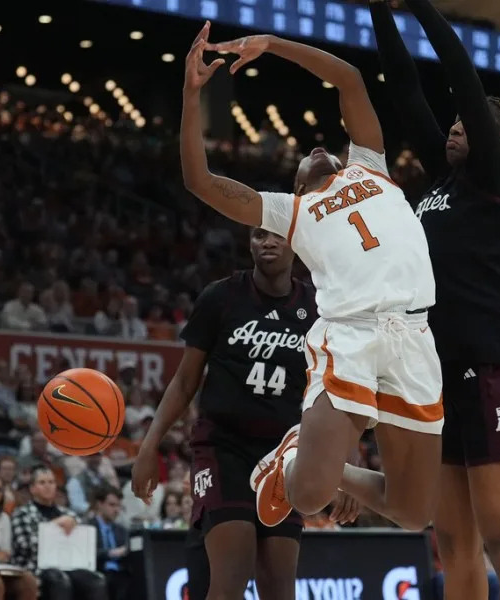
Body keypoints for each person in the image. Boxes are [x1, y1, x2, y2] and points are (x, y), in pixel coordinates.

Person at [180, 22, 443, 541]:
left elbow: (349, 79)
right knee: (308, 498)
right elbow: (200, 181)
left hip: (414, 336)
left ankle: (303, 456)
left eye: (326, 146)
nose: (319, 147)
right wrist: (191, 95)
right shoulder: (292, 211)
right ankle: (298, 459)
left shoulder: (370, 165)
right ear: (297, 182)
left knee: (414, 513)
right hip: (352, 334)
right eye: (306, 156)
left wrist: (272, 45)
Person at [368, 1, 500, 597]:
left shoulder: (495, 180)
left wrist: (419, 7)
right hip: (440, 370)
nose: (451, 125)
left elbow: (463, 79)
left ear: (497, 141)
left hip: (497, 363)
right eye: (449, 122)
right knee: (453, 546)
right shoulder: (441, 183)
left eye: (464, 122)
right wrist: (378, 11)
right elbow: (403, 90)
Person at [132, 227, 344, 600]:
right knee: (232, 574)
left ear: (296, 243)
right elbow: (184, 382)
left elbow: (336, 391)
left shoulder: (319, 307)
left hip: (285, 454)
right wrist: (149, 446)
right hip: (223, 447)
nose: (267, 243)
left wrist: (346, 465)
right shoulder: (221, 297)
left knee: (280, 588)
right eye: (259, 235)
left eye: (277, 236)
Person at [11, 465, 108, 600]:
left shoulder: (69, 514)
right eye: (42, 482)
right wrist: (54, 525)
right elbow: (25, 546)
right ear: (32, 489)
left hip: (69, 565)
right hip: (35, 568)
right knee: (59, 580)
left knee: (96, 580)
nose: (48, 486)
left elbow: (82, 544)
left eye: (51, 482)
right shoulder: (22, 513)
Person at [87, 486, 130, 600]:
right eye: (112, 505)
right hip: (100, 571)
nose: (116, 510)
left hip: (121, 572)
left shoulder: (121, 530)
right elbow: (88, 553)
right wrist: (111, 553)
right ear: (99, 504)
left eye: (118, 506)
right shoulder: (88, 527)